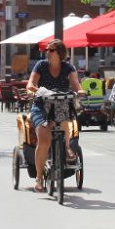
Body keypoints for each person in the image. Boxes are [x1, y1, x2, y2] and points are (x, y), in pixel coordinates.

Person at [26, 39, 84, 193]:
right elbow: (31, 82)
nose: (47, 52)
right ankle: (39, 178)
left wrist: (80, 91)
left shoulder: (68, 67)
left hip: (60, 104)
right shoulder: (41, 65)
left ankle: (66, 147)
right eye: (47, 49)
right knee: (44, 140)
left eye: (51, 50)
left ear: (59, 53)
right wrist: (31, 88)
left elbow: (76, 84)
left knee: (64, 116)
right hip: (40, 106)